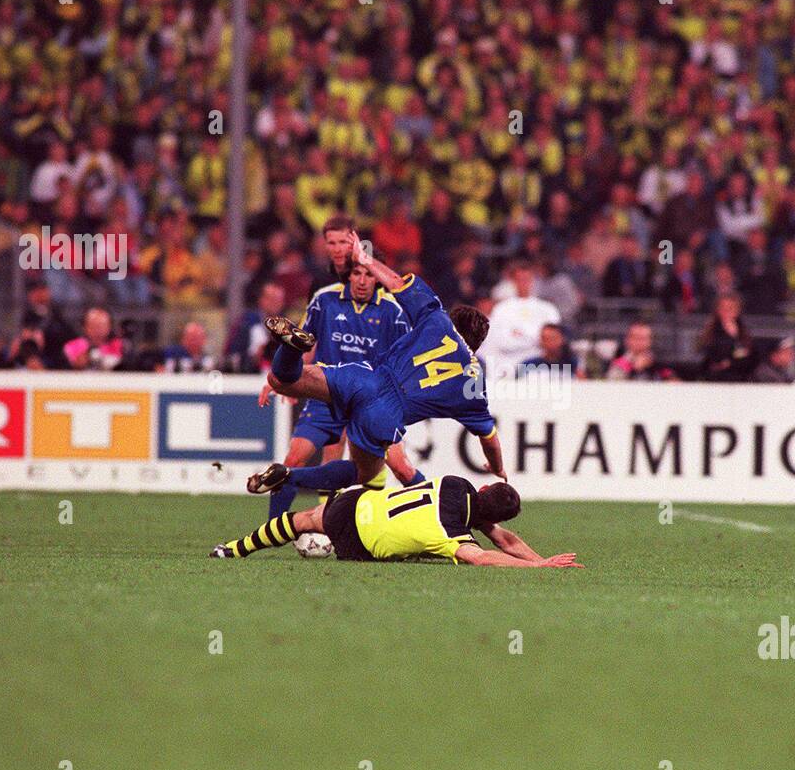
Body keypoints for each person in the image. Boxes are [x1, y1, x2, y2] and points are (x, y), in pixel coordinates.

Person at [259, 231, 504, 492]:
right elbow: (489, 438)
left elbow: (397, 283)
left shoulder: (438, 319)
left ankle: (291, 348)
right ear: (477, 344)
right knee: (363, 473)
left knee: (282, 380)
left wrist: (365, 260)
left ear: (454, 319)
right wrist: (497, 466)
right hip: (384, 415)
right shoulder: (474, 380)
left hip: (363, 377)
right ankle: (289, 476)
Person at [263, 215, 424, 520]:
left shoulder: (393, 309)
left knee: (385, 468)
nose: (362, 280)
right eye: (357, 274)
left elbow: (403, 359)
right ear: (349, 275)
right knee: (294, 458)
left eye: (368, 274)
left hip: (368, 398)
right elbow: (304, 345)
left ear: (377, 276)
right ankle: (273, 527)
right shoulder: (324, 298)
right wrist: (284, 381)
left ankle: (335, 521)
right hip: (327, 390)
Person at [210, 475, 581, 568]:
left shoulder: (457, 484)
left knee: (303, 519)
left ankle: (232, 550)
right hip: (362, 543)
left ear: (482, 487)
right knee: (438, 552)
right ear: (492, 518)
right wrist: (539, 566)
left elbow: (503, 538)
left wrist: (539, 560)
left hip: (358, 503)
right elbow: (485, 554)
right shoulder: (453, 533)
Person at [483, 261, 561, 380]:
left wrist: (522, 335)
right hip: (507, 362)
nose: (523, 283)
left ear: (533, 281)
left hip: (538, 364)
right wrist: (534, 337)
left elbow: (553, 340)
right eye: (519, 279)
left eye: (527, 279)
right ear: (513, 281)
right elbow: (501, 340)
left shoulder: (547, 309)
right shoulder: (501, 309)